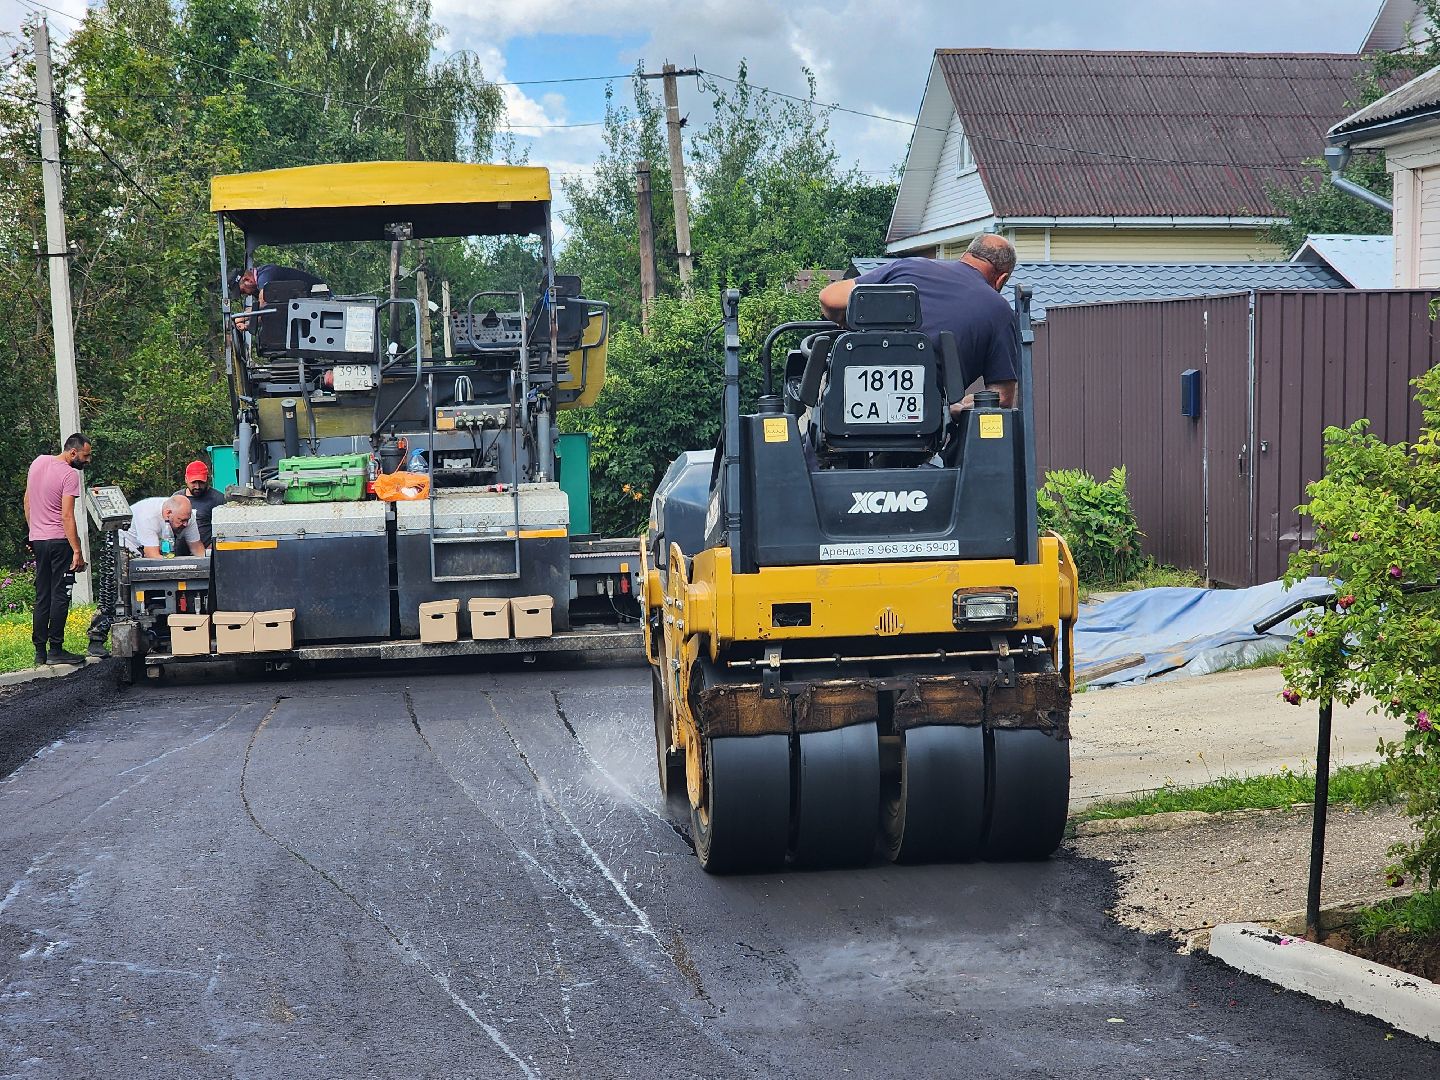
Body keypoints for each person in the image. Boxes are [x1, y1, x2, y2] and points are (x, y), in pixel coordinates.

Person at [819, 234, 1020, 412]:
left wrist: (848, 323)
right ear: (1001, 279)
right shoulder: (999, 310)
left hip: (846, 404)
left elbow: (829, 298)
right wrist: (957, 408)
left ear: (966, 255)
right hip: (922, 424)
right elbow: (1002, 397)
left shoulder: (910, 266)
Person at [22, 433, 91, 666]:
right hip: (60, 542)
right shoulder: (69, 475)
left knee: (42, 595)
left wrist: (35, 533)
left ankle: (40, 652)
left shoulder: (38, 462)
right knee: (59, 594)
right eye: (85, 455)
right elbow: (67, 515)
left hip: (39, 540)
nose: (87, 460)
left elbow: (27, 501)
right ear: (73, 452)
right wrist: (77, 551)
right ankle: (57, 649)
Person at [232, 264, 326, 332]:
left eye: (243, 291)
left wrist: (240, 317)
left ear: (247, 280)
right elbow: (268, 313)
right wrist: (247, 325)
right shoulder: (262, 284)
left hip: (321, 301)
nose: (247, 295)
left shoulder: (266, 275)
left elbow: (263, 304)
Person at [119, 495, 205, 558]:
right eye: (182, 520)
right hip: (126, 545)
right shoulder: (148, 516)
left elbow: (197, 547)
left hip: (151, 545)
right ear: (168, 513)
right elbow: (152, 555)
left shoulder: (186, 515)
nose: (186, 524)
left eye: (187, 520)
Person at [174, 459, 226, 551]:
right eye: (193, 482)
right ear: (186, 479)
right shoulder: (176, 498)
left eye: (201, 482)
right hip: (179, 555)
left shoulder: (218, 499)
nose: (197, 486)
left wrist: (211, 551)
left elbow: (224, 531)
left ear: (207, 479)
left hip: (206, 554)